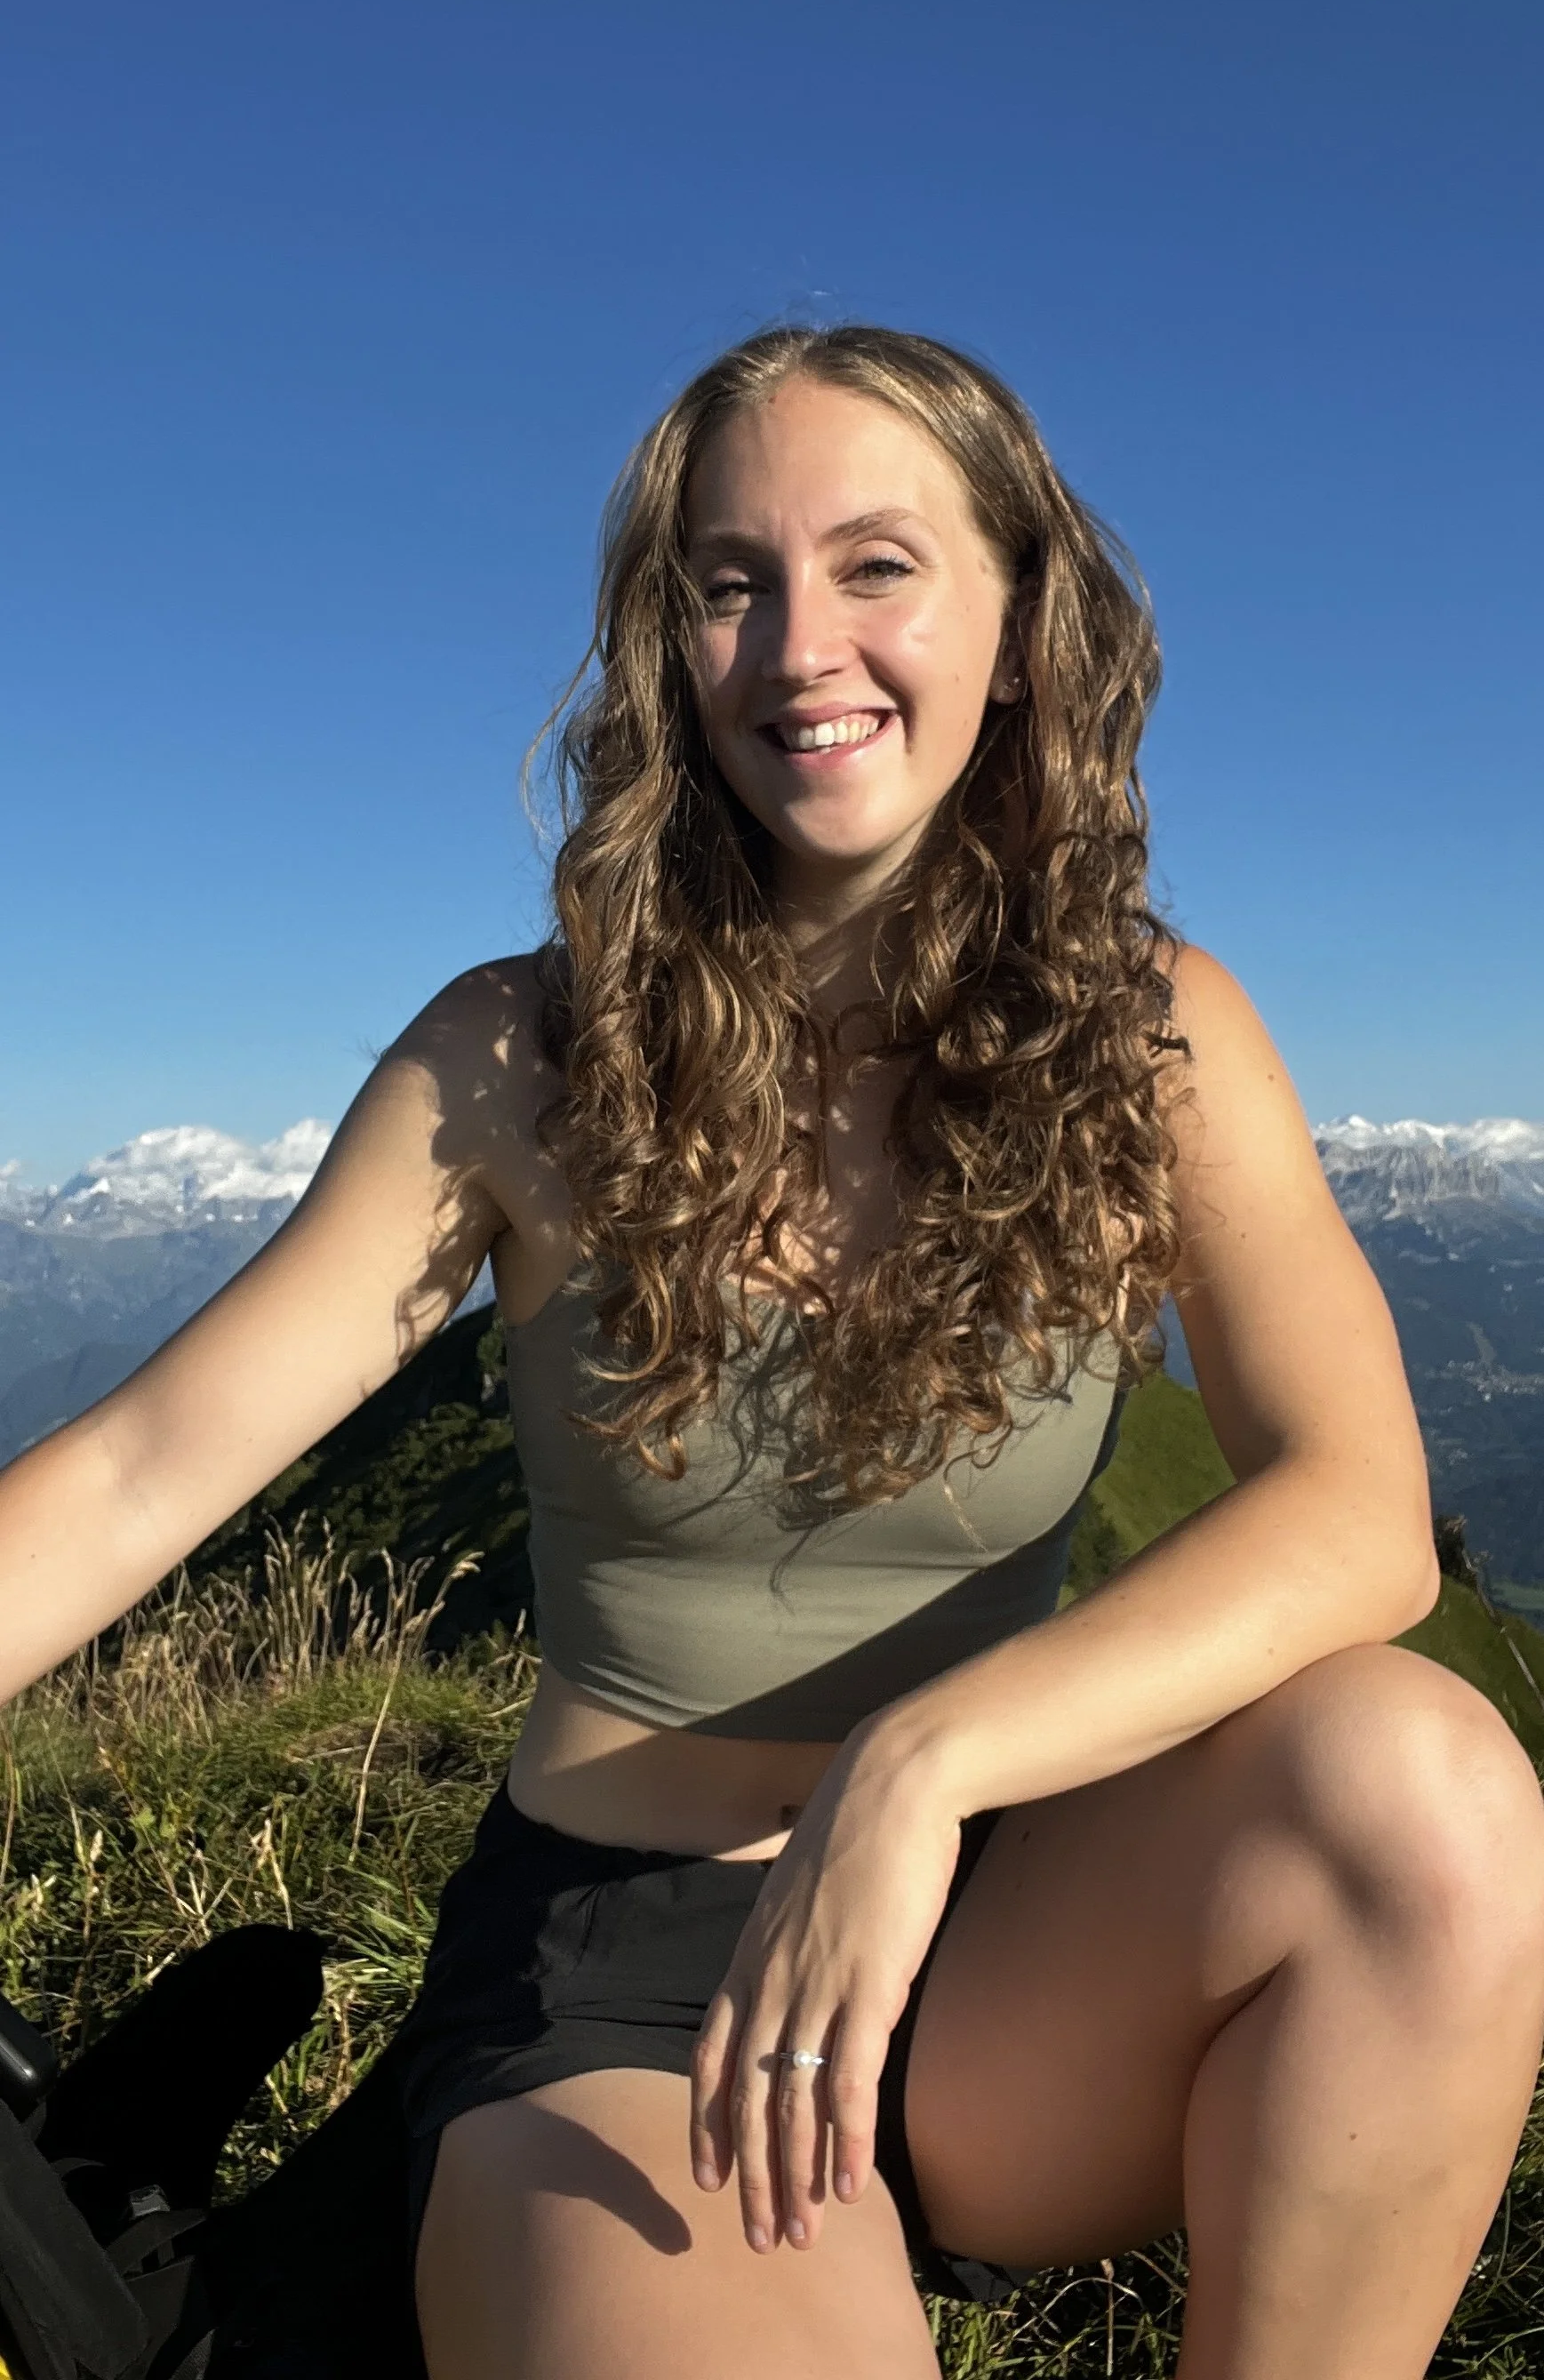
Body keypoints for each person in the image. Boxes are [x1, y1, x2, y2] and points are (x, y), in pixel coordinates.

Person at [4, 325, 1542, 2380]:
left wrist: (922, 1764)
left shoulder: (1150, 1037)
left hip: (1005, 1927)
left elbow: (1359, 1512)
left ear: (1021, 621)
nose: (800, 643)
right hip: (632, 1986)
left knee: (1428, 1791)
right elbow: (137, 1470)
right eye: (730, 580)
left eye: (876, 563)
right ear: (672, 647)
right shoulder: (523, 1058)